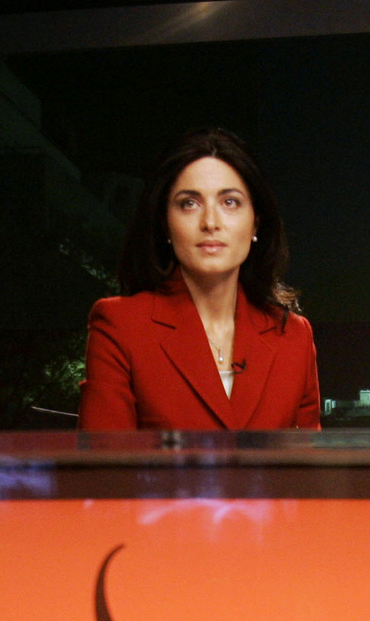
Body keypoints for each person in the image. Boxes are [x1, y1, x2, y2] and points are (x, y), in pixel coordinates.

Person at [79, 128, 320, 431]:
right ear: (165, 225)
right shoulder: (119, 326)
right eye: (188, 203)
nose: (210, 223)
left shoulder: (294, 338)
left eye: (230, 202)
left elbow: (308, 474)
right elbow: (103, 473)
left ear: (255, 222)